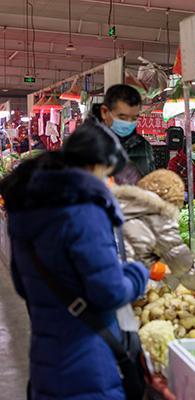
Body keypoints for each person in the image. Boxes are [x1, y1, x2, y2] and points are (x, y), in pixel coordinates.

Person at [0, 121, 149, 399]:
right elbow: (110, 291)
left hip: (46, 361)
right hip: (88, 367)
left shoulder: (26, 209)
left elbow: (22, 285)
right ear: (95, 166)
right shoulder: (83, 211)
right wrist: (139, 273)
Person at [112, 169, 195, 290]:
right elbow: (188, 272)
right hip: (121, 289)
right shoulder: (158, 219)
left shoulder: (115, 206)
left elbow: (133, 255)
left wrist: (159, 270)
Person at [99, 84, 155, 180]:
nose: (128, 123)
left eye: (134, 118)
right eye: (122, 117)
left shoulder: (143, 146)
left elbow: (151, 182)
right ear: (104, 112)